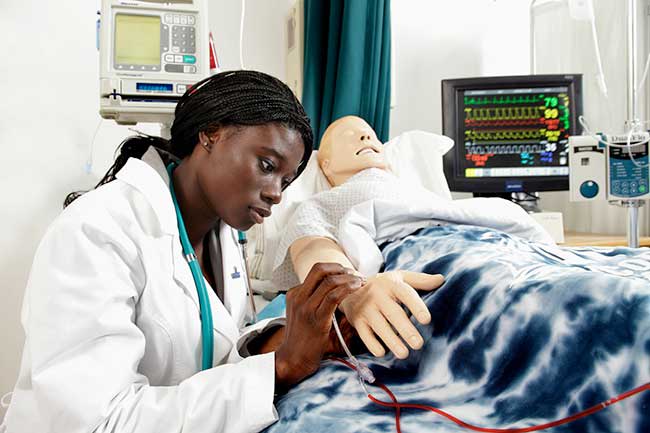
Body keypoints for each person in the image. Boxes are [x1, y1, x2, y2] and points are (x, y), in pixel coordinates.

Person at [0, 71, 364, 433]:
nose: (276, 193)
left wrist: (280, 341)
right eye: (267, 166)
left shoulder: (222, 236)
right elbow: (100, 422)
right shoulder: (96, 230)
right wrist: (280, 367)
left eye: (285, 181)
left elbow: (210, 353)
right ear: (211, 133)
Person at [275, 115, 552, 361]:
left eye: (371, 134)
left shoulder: (421, 194)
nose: (366, 136)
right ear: (326, 166)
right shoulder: (323, 202)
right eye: (349, 136)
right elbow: (311, 246)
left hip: (493, 246)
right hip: (423, 260)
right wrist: (352, 293)